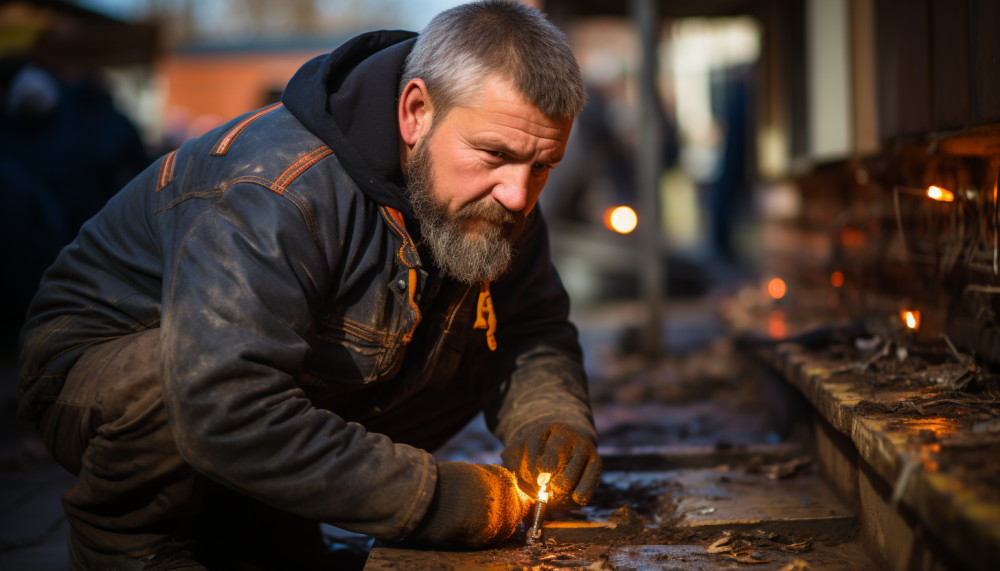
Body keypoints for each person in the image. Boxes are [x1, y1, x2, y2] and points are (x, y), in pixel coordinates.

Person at [16, 1, 601, 569]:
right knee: (184, 384)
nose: (519, 194)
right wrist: (438, 499)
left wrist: (549, 418)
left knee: (458, 343)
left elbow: (531, 326)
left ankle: (259, 520)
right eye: (494, 154)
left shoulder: (499, 195)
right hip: (104, 369)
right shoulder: (275, 189)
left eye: (542, 164)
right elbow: (227, 403)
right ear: (416, 112)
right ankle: (126, 542)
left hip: (274, 382)